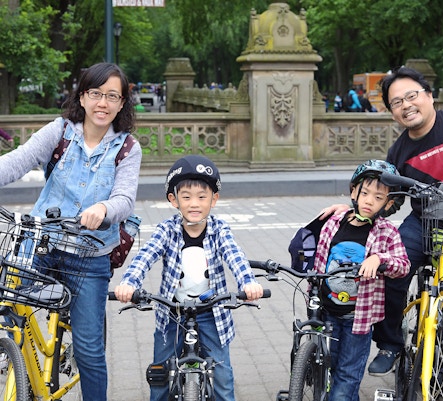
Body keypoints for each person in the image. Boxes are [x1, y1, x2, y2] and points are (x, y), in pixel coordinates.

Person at [322, 67, 443, 399]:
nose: (406, 105)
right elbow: (388, 200)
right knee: (390, 265)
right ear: (392, 111)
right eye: (396, 102)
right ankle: (391, 342)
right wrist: (353, 208)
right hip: (423, 227)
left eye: (411, 96)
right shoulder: (399, 152)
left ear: (427, 94)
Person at [0, 62, 141, 401]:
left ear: (122, 103)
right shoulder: (60, 131)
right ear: (82, 96)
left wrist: (105, 209)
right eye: (96, 94)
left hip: (90, 256)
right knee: (8, 306)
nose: (102, 103)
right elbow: (19, 160)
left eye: (112, 96)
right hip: (41, 245)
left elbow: (124, 198)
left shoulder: (127, 148)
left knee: (89, 349)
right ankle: (19, 363)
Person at [114, 154, 264, 401]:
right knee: (160, 375)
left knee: (222, 379)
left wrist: (247, 282)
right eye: (186, 197)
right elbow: (145, 257)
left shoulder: (219, 230)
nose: (194, 204)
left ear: (214, 199)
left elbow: (234, 255)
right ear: (174, 200)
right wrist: (129, 283)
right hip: (172, 312)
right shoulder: (166, 230)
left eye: (202, 197)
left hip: (211, 313)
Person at [313, 159, 410, 400]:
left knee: (347, 375)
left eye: (378, 197)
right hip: (328, 312)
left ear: (389, 203)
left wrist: (379, 259)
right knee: (328, 367)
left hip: (359, 319)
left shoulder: (387, 231)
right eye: (364, 193)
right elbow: (318, 259)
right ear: (354, 191)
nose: (369, 200)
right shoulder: (334, 222)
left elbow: (403, 265)